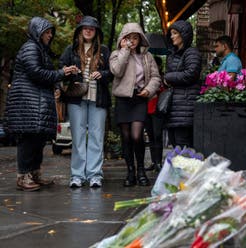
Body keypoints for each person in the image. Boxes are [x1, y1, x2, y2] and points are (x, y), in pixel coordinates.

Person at [5, 17, 73, 191]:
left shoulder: (40, 50)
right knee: (28, 139)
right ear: (38, 31)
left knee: (38, 139)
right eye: (47, 32)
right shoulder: (30, 47)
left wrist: (57, 82)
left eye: (51, 32)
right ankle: (23, 176)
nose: (50, 35)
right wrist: (61, 73)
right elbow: (36, 72)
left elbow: (46, 74)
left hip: (37, 102)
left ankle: (34, 173)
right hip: (27, 102)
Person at [59, 16, 112, 188]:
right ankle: (77, 176)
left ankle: (95, 175)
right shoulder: (71, 49)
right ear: (80, 31)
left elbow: (112, 73)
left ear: (96, 31)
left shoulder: (104, 50)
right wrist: (70, 72)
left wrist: (102, 74)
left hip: (98, 99)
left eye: (92, 28)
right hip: (76, 99)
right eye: (85, 28)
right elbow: (61, 69)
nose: (88, 30)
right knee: (78, 138)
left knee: (97, 137)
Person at [110, 23, 161, 187]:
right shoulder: (115, 54)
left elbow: (156, 77)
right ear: (123, 39)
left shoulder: (147, 56)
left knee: (137, 136)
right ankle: (130, 171)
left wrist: (148, 90)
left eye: (135, 37)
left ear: (140, 38)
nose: (132, 40)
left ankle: (141, 170)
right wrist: (125, 50)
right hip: (123, 100)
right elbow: (117, 71)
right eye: (129, 37)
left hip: (139, 99)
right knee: (126, 137)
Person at [164, 20, 202, 148]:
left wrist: (168, 77)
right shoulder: (172, 56)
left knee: (184, 146)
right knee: (176, 146)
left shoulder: (192, 52)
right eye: (171, 33)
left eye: (175, 33)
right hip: (173, 109)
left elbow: (190, 74)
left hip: (186, 108)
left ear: (184, 35)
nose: (172, 36)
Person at [145, 56, 165, 172]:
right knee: (151, 136)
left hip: (158, 110)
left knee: (157, 135)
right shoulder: (147, 77)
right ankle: (153, 161)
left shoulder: (162, 77)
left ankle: (159, 162)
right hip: (147, 109)